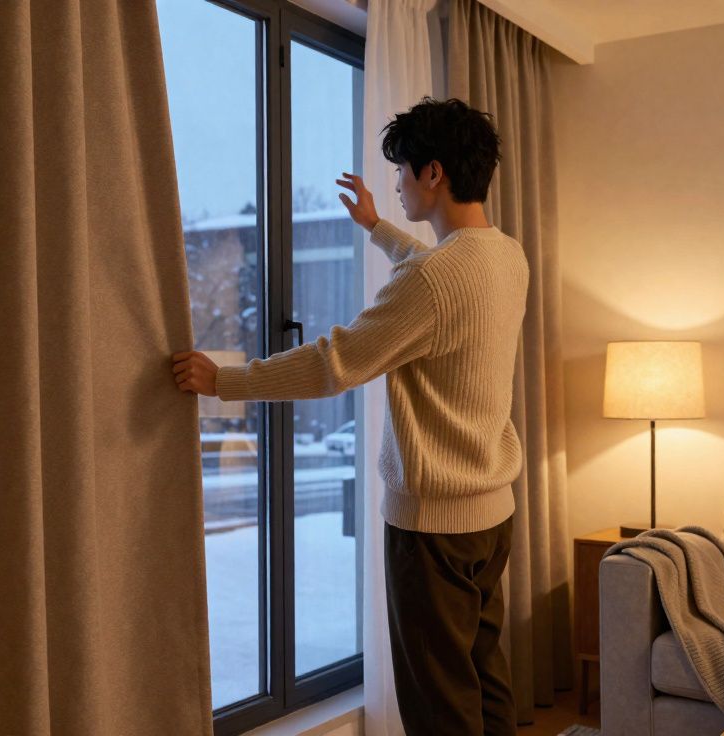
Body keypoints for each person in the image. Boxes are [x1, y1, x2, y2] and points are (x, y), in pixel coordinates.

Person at [172, 96, 528, 736]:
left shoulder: (432, 283)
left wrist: (223, 380)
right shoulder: (507, 257)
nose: (394, 186)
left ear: (434, 174)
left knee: (440, 705)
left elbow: (332, 365)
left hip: (435, 530)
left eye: (400, 173)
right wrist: (376, 227)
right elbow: (438, 278)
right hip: (492, 513)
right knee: (484, 678)